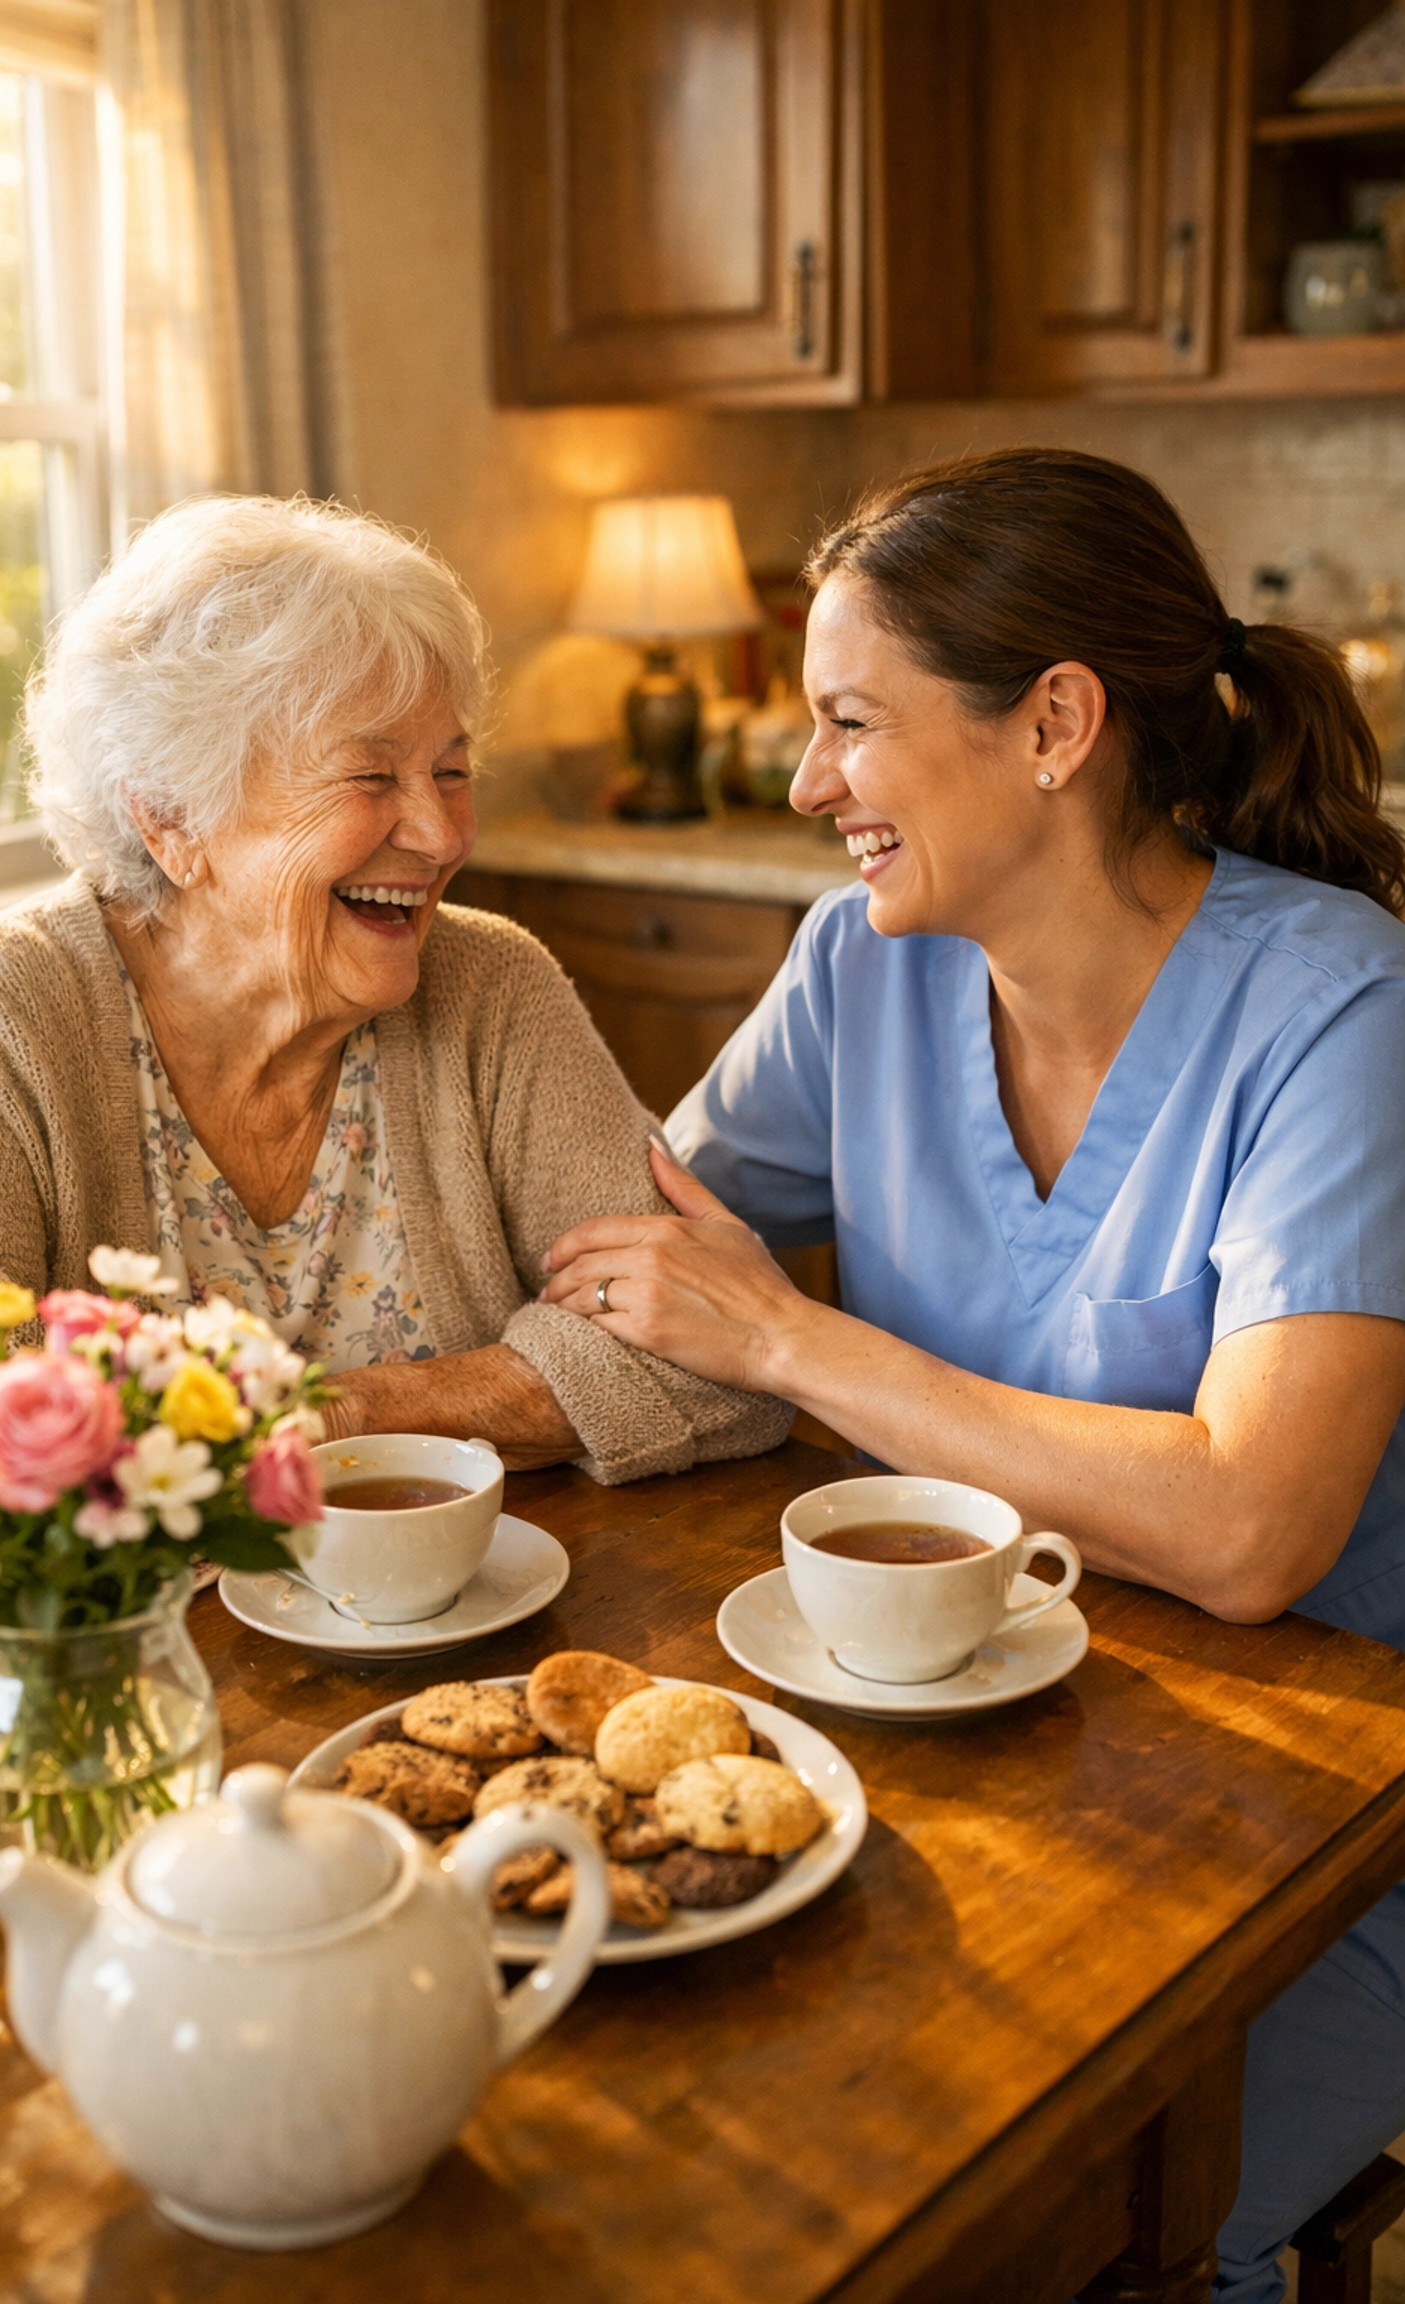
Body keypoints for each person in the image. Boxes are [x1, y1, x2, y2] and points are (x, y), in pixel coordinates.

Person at [539, 447, 1405, 2302]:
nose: (803, 783)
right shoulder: (859, 967)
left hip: (1315, 1825)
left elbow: (1254, 1524)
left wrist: (790, 1338)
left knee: (1037, 2240)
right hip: (960, 1750)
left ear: (1055, 723)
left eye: (850, 719)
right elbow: (633, 1244)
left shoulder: (1341, 1006)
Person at [0, 494, 789, 1518]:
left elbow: (723, 1368)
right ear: (173, 817)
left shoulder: (493, 989)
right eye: (370, 776)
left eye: (452, 769)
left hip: (479, 1626)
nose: (441, 834)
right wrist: (516, 1390)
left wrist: (338, 1416)